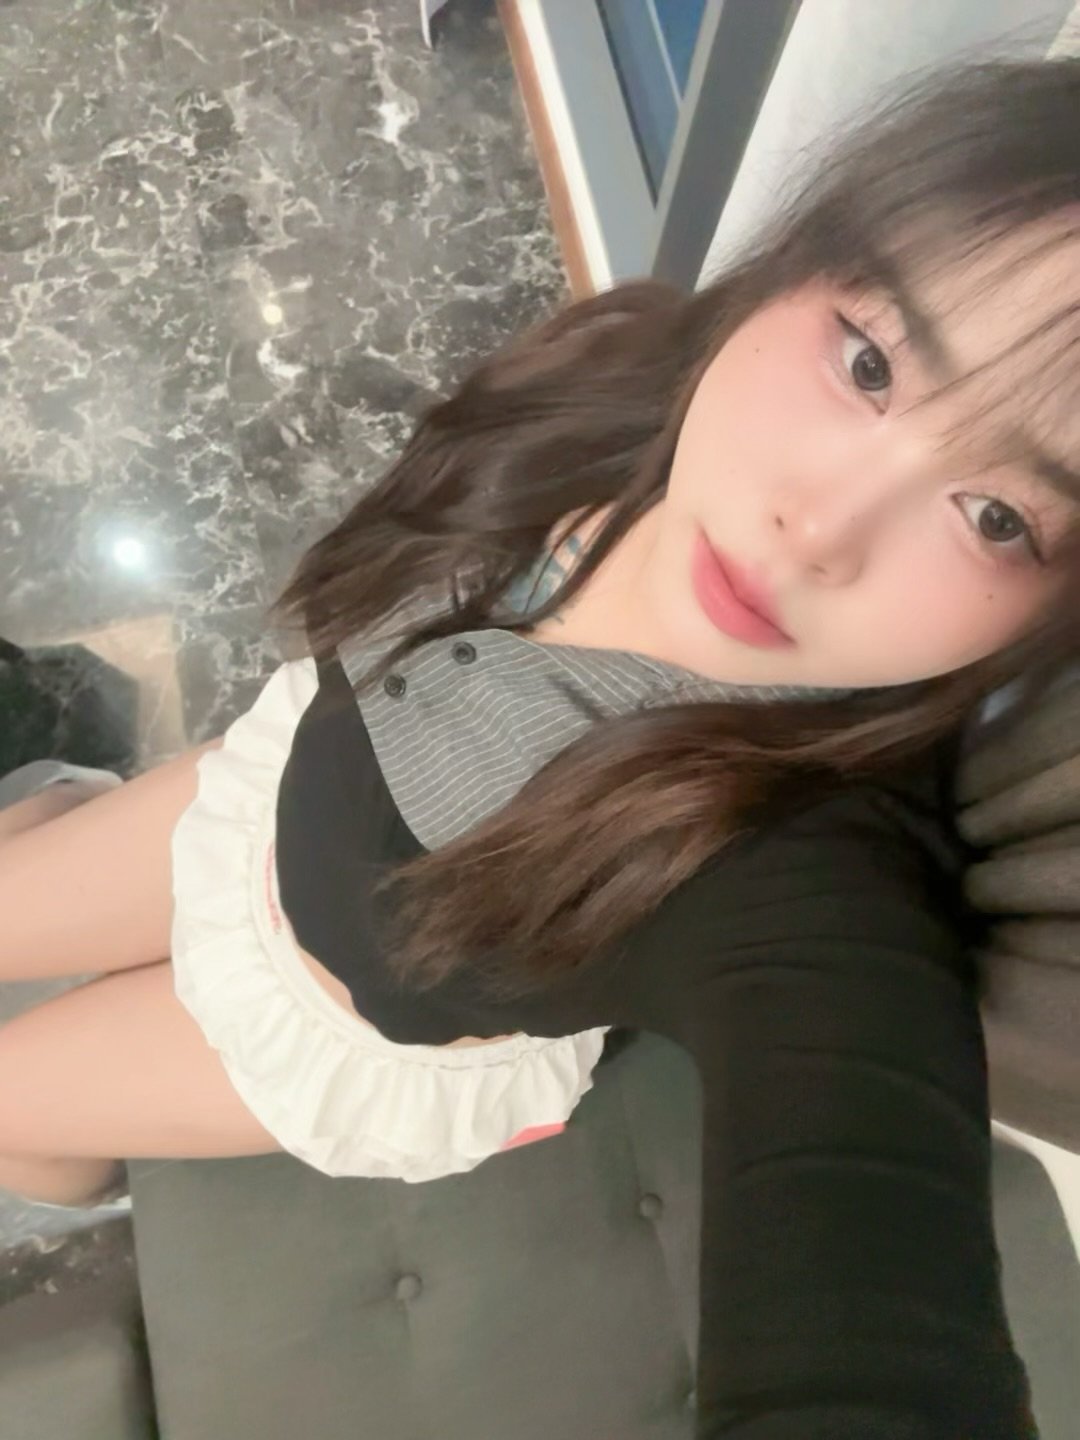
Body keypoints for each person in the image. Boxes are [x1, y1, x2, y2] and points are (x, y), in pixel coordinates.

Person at [1, 55, 1078, 1438]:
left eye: (999, 517)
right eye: (869, 361)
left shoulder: (799, 864)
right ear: (796, 267)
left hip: (320, 1021)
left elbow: (861, 1283)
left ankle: (100, 1157)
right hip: (262, 793)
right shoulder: (624, 375)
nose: (818, 526)